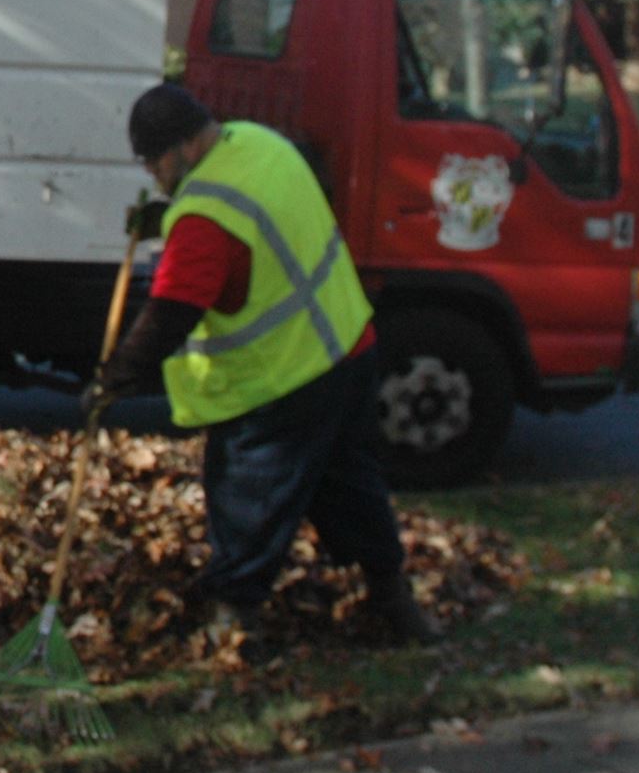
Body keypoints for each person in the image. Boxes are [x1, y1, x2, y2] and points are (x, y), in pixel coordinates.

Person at [96, 84, 438, 645]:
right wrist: (164, 218)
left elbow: (171, 313)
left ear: (183, 147)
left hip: (283, 383)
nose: (153, 174)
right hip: (347, 349)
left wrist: (116, 378)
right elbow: (257, 221)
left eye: (155, 161)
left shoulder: (203, 217)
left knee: (247, 499)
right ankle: (393, 601)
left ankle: (235, 623)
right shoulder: (259, 143)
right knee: (350, 486)